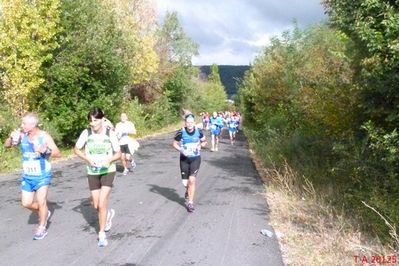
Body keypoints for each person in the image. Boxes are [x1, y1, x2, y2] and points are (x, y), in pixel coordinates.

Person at [4, 112, 61, 240]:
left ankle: (42, 227)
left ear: (33, 124)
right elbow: (7, 145)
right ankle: (44, 212)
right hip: (28, 176)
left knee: (41, 201)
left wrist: (44, 150)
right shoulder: (22, 135)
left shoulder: (44, 136)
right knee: (26, 203)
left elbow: (58, 153)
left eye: (24, 123)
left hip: (42, 175)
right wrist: (10, 137)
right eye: (22, 123)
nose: (22, 125)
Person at [74, 107, 121, 247]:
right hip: (92, 171)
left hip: (108, 170)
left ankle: (101, 234)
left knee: (101, 203)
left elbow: (118, 153)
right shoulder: (86, 133)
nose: (92, 123)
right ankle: (107, 215)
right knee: (96, 205)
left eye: (95, 120)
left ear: (102, 119)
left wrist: (109, 160)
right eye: (90, 120)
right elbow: (76, 149)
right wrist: (87, 159)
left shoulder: (109, 133)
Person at [173, 114, 207, 213]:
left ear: (194, 123)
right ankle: (188, 191)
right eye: (188, 122)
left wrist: (200, 145)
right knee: (185, 183)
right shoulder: (181, 132)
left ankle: (190, 202)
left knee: (192, 180)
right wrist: (181, 150)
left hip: (195, 159)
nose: (190, 124)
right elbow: (174, 143)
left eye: (191, 122)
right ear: (185, 123)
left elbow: (204, 142)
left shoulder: (198, 131)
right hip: (184, 159)